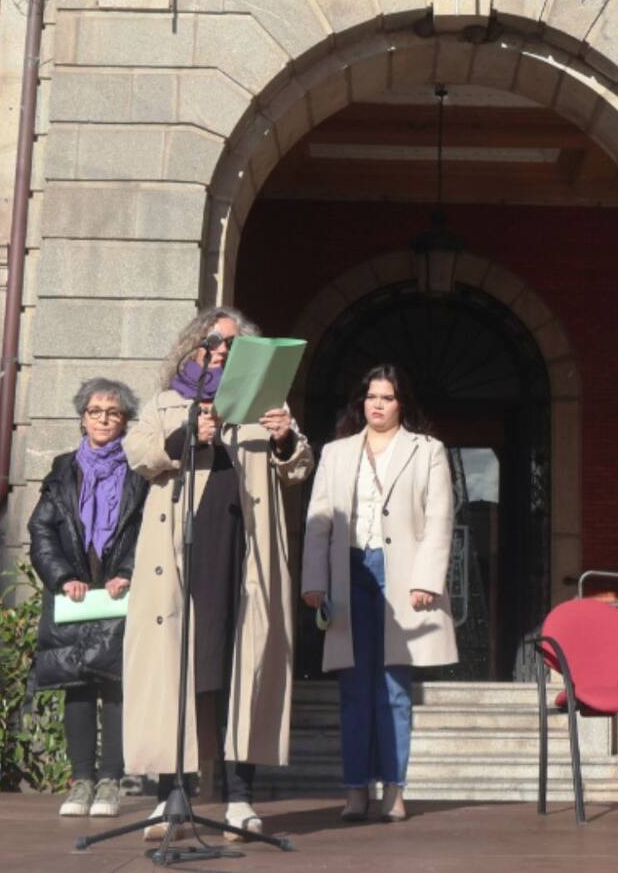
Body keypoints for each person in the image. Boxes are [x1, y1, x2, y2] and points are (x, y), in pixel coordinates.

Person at [122, 307, 314, 840]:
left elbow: (299, 467)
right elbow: (137, 453)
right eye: (213, 344)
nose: (222, 352)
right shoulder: (167, 403)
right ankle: (172, 799)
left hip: (243, 557)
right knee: (174, 674)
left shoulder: (265, 406)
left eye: (232, 346)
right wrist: (188, 434)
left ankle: (238, 799)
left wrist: (282, 439)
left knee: (242, 671)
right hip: (179, 558)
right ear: (193, 348)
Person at [302, 364, 457, 823]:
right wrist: (314, 579)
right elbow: (318, 520)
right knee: (353, 689)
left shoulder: (427, 450)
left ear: (401, 403)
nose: (377, 404)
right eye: (371, 397)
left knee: (393, 689)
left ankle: (393, 789)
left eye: (387, 398)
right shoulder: (335, 452)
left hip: (402, 575)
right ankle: (355, 790)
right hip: (349, 572)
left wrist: (428, 578)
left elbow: (440, 516)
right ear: (360, 402)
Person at [29, 378, 147, 818]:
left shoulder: (140, 471)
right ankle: (81, 782)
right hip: (73, 595)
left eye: (112, 412)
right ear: (82, 417)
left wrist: (127, 573)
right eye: (94, 411)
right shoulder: (62, 469)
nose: (102, 419)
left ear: (124, 421)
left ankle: (111, 783)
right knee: (76, 687)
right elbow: (41, 530)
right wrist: (61, 578)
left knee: (115, 688)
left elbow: (147, 529)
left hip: (118, 593)